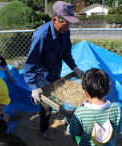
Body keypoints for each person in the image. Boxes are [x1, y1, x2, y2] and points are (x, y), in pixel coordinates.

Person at [24, 1, 84, 141]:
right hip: (41, 78)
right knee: (45, 108)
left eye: (70, 23)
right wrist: (34, 87)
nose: (68, 26)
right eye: (66, 22)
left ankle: (58, 113)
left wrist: (74, 68)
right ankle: (44, 129)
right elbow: (30, 64)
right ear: (55, 19)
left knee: (57, 98)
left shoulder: (65, 31)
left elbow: (66, 53)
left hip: (55, 73)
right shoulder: (41, 35)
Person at [67, 68, 122, 146]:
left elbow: (74, 133)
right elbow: (119, 129)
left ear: (86, 93)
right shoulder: (116, 109)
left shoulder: (80, 112)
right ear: (108, 90)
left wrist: (68, 127)